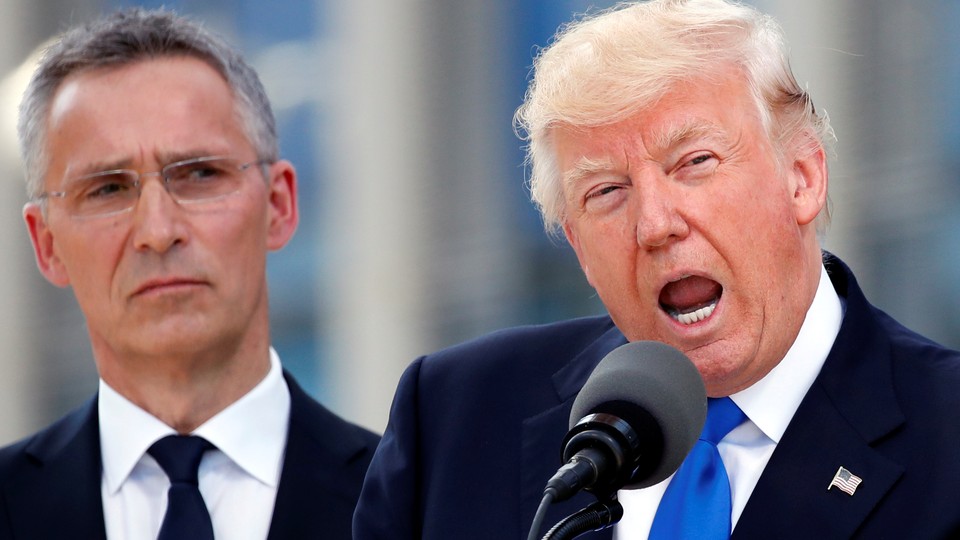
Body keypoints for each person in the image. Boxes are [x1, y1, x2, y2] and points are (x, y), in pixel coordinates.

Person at [353, 0, 960, 538]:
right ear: (581, 249)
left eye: (694, 161)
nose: (655, 224)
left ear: (802, 178)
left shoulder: (946, 436)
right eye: (607, 192)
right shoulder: (454, 419)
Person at [0, 8, 380, 539]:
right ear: (46, 244)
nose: (158, 230)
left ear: (279, 205)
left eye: (201, 174)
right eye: (108, 189)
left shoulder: (414, 503)